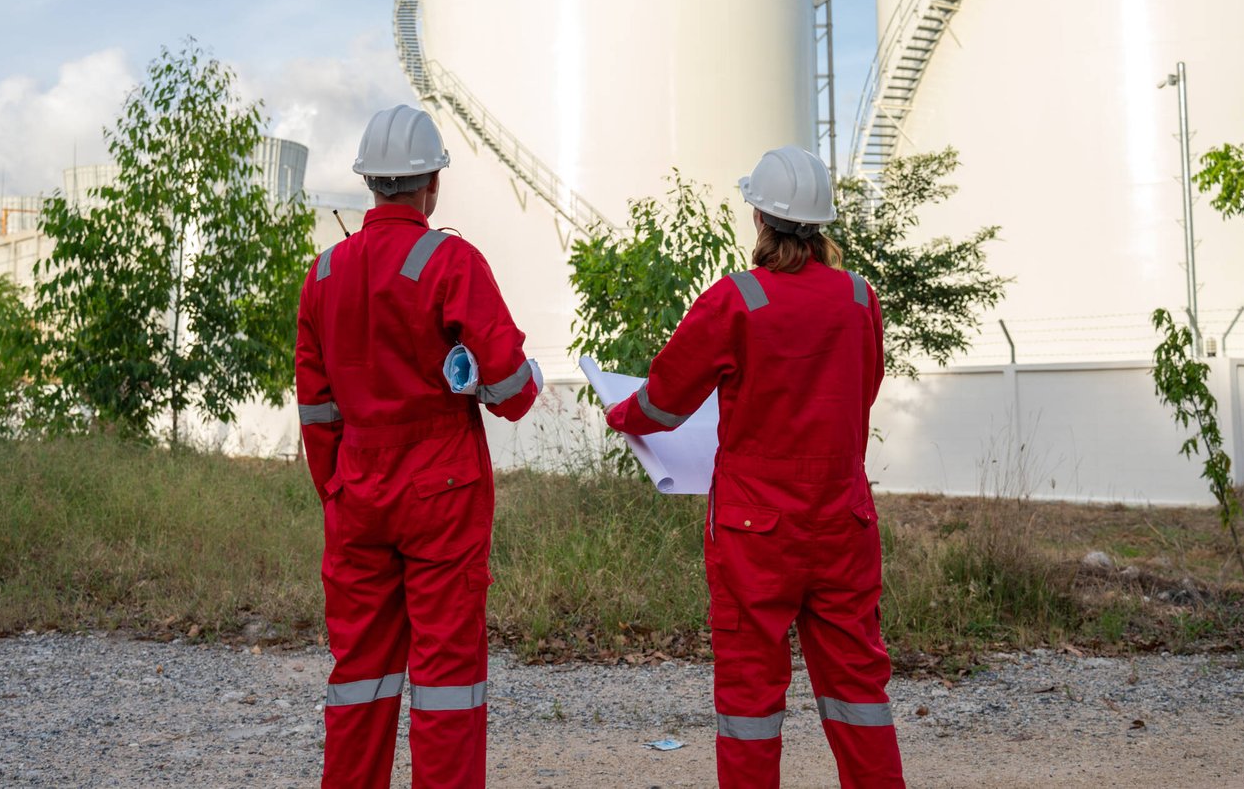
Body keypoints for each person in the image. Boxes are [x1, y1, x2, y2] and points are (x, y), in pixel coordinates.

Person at [605, 145, 905, 788]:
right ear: (821, 223)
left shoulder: (736, 300)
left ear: (760, 219)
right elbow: (865, 387)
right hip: (842, 520)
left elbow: (664, 398)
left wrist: (621, 413)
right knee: (858, 688)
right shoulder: (859, 299)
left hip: (754, 531)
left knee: (749, 698)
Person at [296, 103, 541, 788]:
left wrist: (339, 491)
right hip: (442, 495)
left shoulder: (321, 276)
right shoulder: (451, 262)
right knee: (446, 682)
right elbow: (515, 390)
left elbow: (317, 412)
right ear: (432, 183)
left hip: (356, 496)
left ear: (370, 184)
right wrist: (500, 384)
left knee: (361, 679)